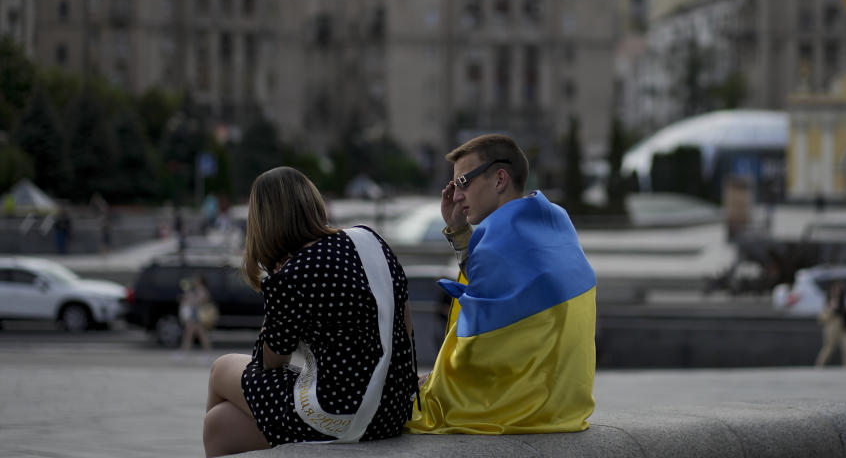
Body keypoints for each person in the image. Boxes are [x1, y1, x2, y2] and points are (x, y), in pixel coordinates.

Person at [203, 166, 418, 458]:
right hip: (393, 409)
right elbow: (405, 326)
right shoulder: (370, 239)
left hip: (340, 416)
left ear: (263, 222)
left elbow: (271, 361)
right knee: (218, 426)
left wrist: (276, 295)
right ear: (312, 203)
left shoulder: (292, 275)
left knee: (220, 369)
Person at [407, 134, 597, 435]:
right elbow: (497, 285)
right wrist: (458, 230)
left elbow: (474, 355)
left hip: (519, 409)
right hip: (567, 403)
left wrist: (432, 383)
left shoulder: (496, 241)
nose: (456, 196)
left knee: (403, 404)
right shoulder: (556, 219)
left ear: (499, 180)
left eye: (463, 183)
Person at [815, 282, 846, 368]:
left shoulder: (844, 301)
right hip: (832, 330)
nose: (837, 291)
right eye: (835, 289)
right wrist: (831, 309)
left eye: (839, 289)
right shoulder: (829, 301)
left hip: (844, 329)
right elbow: (821, 318)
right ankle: (819, 365)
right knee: (828, 348)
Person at [179, 275, 215, 353]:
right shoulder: (197, 290)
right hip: (195, 315)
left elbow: (199, 302)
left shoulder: (202, 290)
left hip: (199, 315)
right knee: (191, 333)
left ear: (200, 281)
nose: (195, 281)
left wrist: (189, 299)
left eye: (196, 279)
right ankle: (184, 352)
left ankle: (207, 353)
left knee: (198, 334)